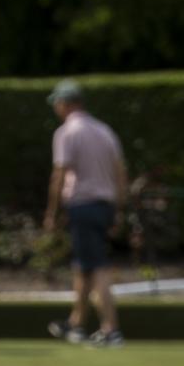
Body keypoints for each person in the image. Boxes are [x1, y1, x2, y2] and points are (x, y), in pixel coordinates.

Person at [42, 79, 128, 348]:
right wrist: (119, 209)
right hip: (104, 206)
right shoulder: (105, 130)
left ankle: (111, 329)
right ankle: (76, 323)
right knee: (84, 267)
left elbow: (59, 174)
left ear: (67, 104)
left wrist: (52, 212)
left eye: (57, 102)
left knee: (96, 266)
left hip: (83, 205)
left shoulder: (67, 132)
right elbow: (120, 173)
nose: (56, 107)